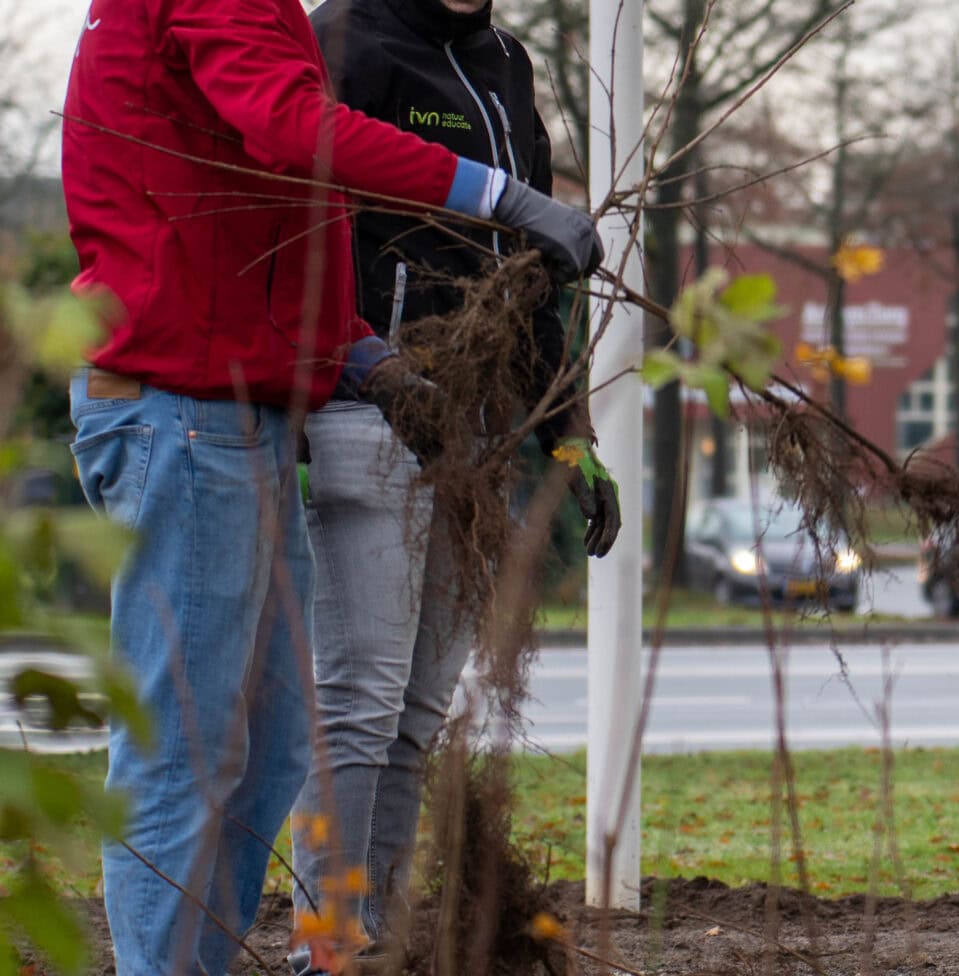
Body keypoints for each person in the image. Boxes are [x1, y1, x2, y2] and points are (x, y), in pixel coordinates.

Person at [60, 0, 599, 969]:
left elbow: (267, 220)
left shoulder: (289, 20)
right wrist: (499, 196)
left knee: (266, 749)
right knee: (190, 750)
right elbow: (292, 129)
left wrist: (359, 357)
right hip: (182, 409)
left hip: (238, 405)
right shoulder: (281, 17)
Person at [286, 0, 621, 969]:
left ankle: (372, 940)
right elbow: (301, 225)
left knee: (418, 708)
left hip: (476, 429)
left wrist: (567, 431)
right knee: (361, 697)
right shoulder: (344, 39)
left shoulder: (507, 64)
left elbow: (533, 279)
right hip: (370, 407)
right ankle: (328, 949)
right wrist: (368, 370)